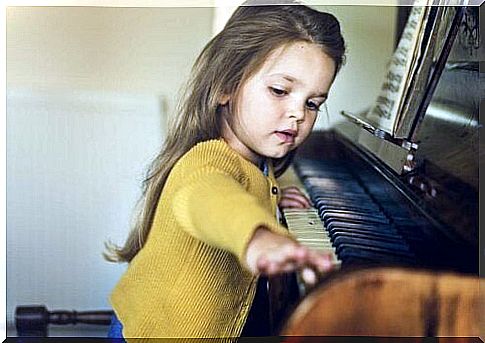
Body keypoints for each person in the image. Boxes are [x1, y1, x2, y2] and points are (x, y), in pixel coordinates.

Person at [104, 1, 346, 339]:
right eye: (280, 90)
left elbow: (246, 189)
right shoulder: (206, 162)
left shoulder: (255, 160)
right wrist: (259, 237)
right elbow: (211, 200)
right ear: (225, 87)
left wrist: (273, 201)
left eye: (312, 103)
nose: (298, 114)